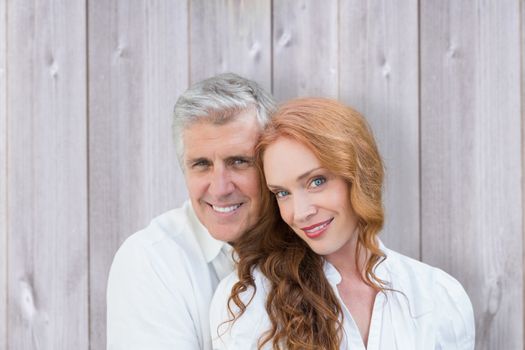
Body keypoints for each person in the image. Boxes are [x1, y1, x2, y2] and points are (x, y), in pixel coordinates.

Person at [210, 98, 475, 350]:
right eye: (282, 193)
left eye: (316, 181)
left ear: (359, 175)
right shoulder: (250, 299)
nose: (300, 213)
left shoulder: (439, 296)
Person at [106, 73, 275, 350]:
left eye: (239, 162)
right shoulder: (151, 261)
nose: (220, 188)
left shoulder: (313, 238)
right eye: (202, 164)